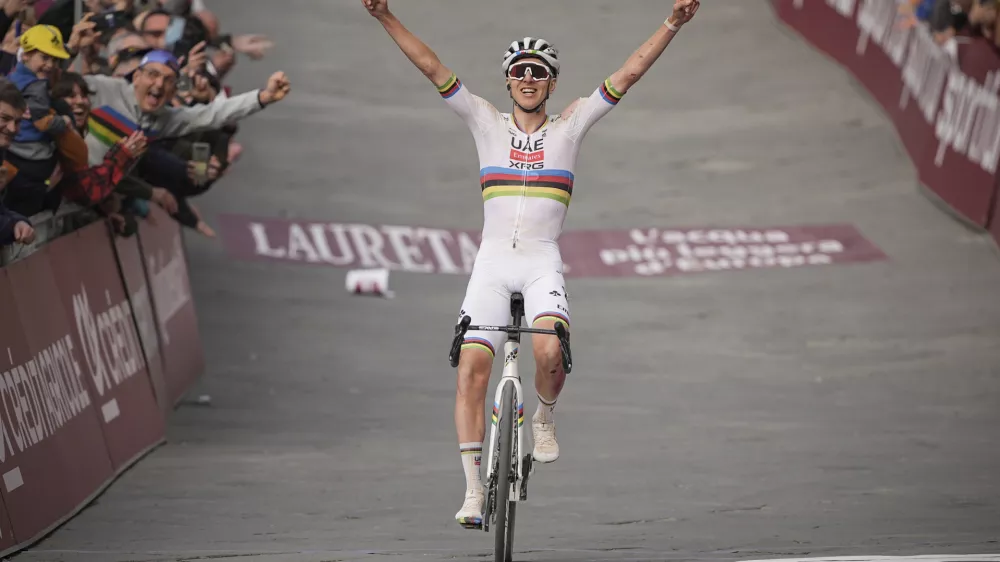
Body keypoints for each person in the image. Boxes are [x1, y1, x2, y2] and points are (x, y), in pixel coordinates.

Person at [361, 0, 700, 528]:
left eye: (537, 73)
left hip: (542, 262)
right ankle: (474, 491)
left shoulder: (570, 126)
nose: (527, 78)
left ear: (551, 83)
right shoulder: (483, 121)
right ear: (507, 82)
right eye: (518, 71)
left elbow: (628, 74)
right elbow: (430, 66)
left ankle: (544, 415)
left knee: (548, 348)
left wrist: (672, 22)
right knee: (473, 369)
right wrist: (384, 16)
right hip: (492, 264)